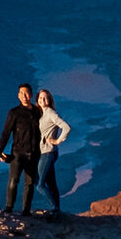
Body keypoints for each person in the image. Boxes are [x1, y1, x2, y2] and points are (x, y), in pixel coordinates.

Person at [0, 83, 43, 214]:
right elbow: (6, 133)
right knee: (14, 180)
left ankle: (26, 211)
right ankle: (9, 208)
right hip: (18, 153)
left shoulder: (38, 112)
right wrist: (0, 151)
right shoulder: (14, 113)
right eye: (21, 93)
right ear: (18, 96)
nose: (24, 96)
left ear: (32, 95)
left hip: (34, 153)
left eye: (27, 93)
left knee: (29, 183)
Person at [36, 87, 72, 218]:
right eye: (40, 98)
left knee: (39, 185)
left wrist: (57, 141)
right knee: (51, 183)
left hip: (48, 152)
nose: (42, 100)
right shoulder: (42, 113)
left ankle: (54, 208)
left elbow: (66, 127)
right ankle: (57, 209)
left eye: (45, 98)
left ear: (50, 99)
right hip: (46, 152)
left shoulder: (50, 113)